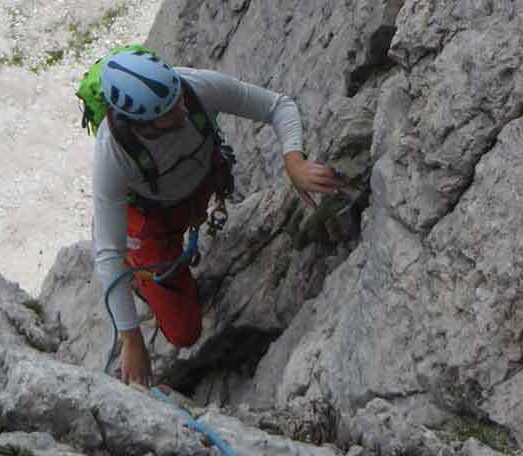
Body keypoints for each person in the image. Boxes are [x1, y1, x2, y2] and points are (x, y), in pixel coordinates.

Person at [92, 49, 341, 387]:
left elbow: (277, 105)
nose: (182, 107)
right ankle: (143, 274)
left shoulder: (194, 87)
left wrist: (294, 162)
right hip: (151, 222)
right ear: (142, 125)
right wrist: (131, 339)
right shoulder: (113, 153)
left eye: (179, 97)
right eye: (169, 111)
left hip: (196, 192)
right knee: (184, 333)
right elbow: (107, 250)